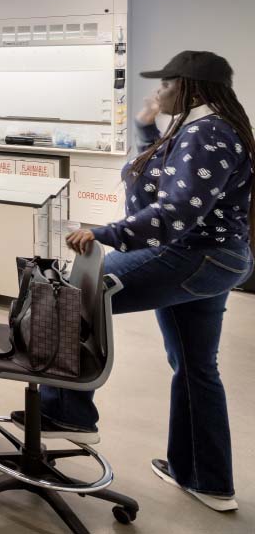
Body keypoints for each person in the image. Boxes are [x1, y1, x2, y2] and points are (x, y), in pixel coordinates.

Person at [49, 51, 253, 513]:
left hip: (189, 256)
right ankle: (206, 478)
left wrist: (105, 234)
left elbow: (175, 210)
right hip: (213, 259)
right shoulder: (207, 127)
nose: (158, 90)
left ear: (189, 87)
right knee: (197, 366)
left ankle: (68, 411)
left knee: (70, 295)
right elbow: (163, 171)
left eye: (166, 83)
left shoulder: (208, 133)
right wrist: (146, 125)